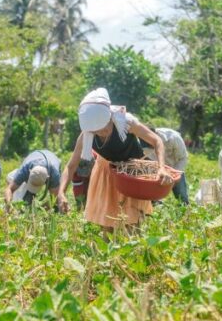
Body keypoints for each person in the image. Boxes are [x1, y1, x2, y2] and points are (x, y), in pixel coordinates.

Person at [57, 88, 173, 233]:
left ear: (110, 118)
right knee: (107, 225)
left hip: (131, 174)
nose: (101, 133)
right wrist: (61, 192)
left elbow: (157, 141)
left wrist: (161, 167)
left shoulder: (126, 122)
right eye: (96, 131)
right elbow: (71, 166)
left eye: (104, 128)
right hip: (106, 175)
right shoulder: (86, 134)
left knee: (132, 224)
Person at [139, 127, 189, 205]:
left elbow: (183, 158)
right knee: (153, 198)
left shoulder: (173, 138)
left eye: (151, 145)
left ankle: (186, 212)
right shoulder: (142, 143)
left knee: (182, 196)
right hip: (157, 170)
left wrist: (174, 175)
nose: (151, 148)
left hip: (175, 168)